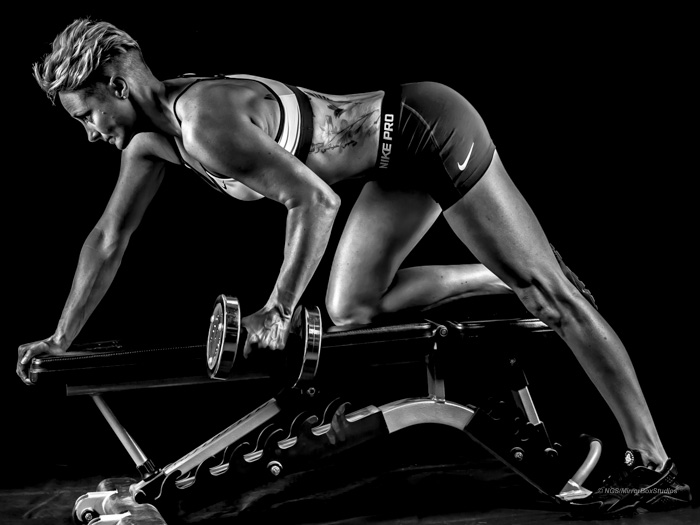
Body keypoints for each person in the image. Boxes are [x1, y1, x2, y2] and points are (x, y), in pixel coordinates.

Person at [17, 18, 690, 518]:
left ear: (116, 84)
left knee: (551, 299)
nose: (90, 132)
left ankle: (654, 461)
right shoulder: (153, 143)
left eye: (87, 114)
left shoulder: (203, 122)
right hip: (390, 162)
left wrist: (279, 308)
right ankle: (502, 275)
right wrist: (60, 337)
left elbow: (315, 200)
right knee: (354, 307)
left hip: (425, 127)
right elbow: (108, 238)